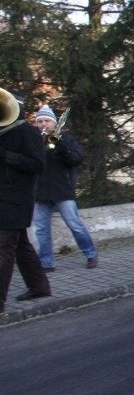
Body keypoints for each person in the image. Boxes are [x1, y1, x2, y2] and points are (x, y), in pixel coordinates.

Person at [0, 89, 52, 314]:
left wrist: (6, 156)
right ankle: (39, 287)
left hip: (16, 200)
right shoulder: (3, 132)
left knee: (3, 249)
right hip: (4, 199)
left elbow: (38, 165)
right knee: (21, 246)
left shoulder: (27, 133)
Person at [33, 105, 98, 271]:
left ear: (54, 123)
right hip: (40, 191)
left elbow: (77, 159)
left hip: (63, 190)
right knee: (41, 229)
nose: (43, 124)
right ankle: (47, 263)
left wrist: (61, 145)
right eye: (39, 121)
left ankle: (91, 254)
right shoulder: (34, 140)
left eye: (47, 120)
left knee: (74, 224)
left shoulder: (66, 138)